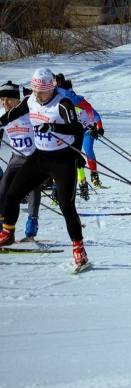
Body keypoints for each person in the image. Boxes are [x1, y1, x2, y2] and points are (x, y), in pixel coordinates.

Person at [0, 68, 89, 269]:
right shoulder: (30, 100)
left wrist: (54, 128)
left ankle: (79, 248)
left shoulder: (62, 104)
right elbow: (11, 115)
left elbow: (76, 130)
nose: (38, 94)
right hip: (39, 157)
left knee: (66, 205)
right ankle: (8, 233)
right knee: (12, 194)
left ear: (51, 89)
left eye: (41, 91)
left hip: (62, 160)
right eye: (35, 90)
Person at [0, 80, 44, 241]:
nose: (5, 103)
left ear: (18, 100)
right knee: (2, 191)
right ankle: (3, 231)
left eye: (9, 99)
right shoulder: (2, 114)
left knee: (33, 189)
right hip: (16, 158)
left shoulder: (28, 112)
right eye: (2, 99)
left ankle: (31, 229)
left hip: (34, 157)